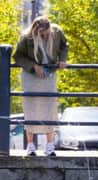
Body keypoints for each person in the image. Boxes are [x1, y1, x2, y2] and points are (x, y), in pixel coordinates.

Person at [14, 16, 68, 156]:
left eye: (47, 33)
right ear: (36, 31)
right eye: (42, 35)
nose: (45, 36)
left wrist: (62, 59)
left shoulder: (57, 32)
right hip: (30, 74)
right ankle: (30, 146)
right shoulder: (26, 37)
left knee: (49, 107)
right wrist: (33, 66)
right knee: (31, 107)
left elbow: (64, 45)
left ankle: (49, 146)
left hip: (49, 73)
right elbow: (18, 56)